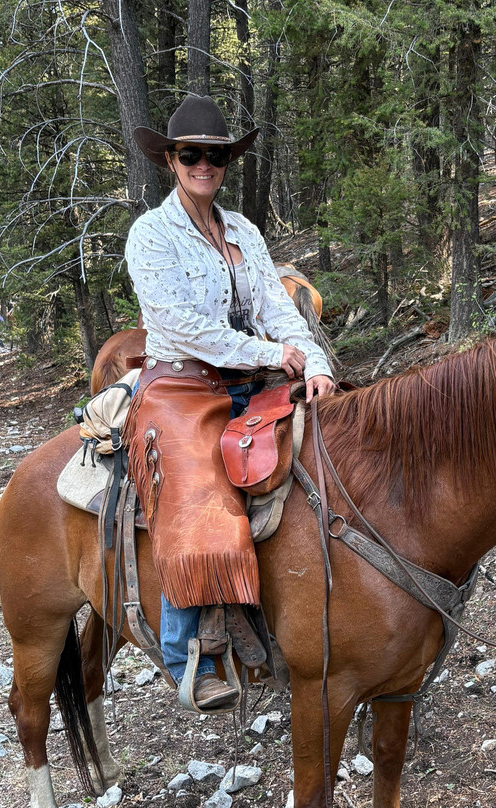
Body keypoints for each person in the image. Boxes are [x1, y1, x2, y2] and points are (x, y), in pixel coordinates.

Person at [128, 95, 336, 711]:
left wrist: (316, 364)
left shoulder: (243, 229)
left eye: (214, 156)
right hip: (183, 383)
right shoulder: (151, 234)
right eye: (190, 154)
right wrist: (270, 355)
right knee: (199, 493)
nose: (203, 165)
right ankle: (190, 652)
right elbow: (183, 324)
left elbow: (278, 306)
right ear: (171, 160)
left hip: (253, 377)